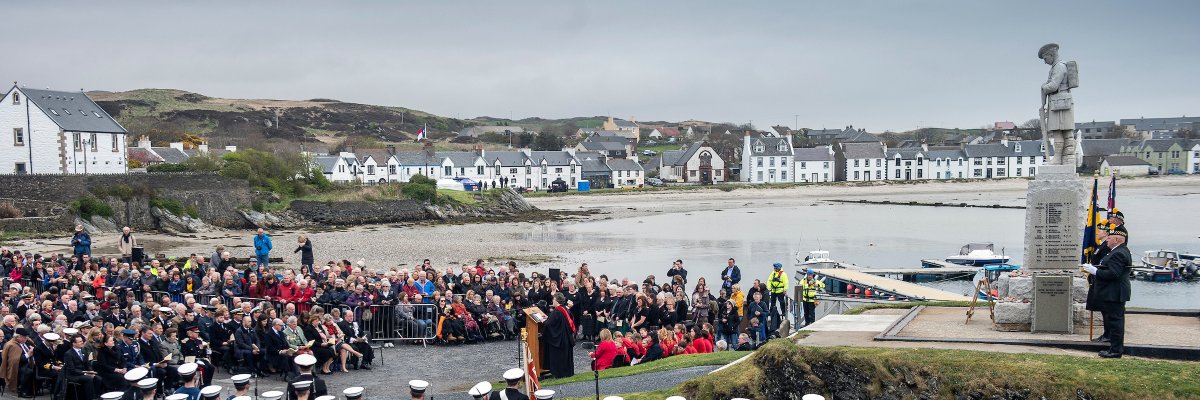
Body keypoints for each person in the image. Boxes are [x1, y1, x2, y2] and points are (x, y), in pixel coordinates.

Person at [1083, 226, 1132, 358]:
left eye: (1109, 238)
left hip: (1115, 293)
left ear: (1117, 239)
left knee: (1115, 323)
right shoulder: (1116, 251)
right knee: (1114, 321)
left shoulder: (1119, 253)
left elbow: (1114, 274)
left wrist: (1095, 271)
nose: (1107, 241)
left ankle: (1116, 350)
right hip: (1113, 292)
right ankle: (1114, 349)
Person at [1037, 42, 1077, 165]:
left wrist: (1044, 86)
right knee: (1064, 131)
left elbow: (1053, 86)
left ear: (1051, 55)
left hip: (1059, 104)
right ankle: (1064, 159)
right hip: (1059, 102)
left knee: (1060, 131)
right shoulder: (1057, 67)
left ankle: (1060, 158)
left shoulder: (1059, 67)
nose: (1045, 61)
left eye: (1045, 58)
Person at [1084, 221, 1112, 342]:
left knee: (1106, 310)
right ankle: (1106, 334)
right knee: (1103, 309)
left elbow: (1103, 264)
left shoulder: (1106, 247)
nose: (1097, 232)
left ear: (1106, 233)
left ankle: (1108, 335)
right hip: (1097, 280)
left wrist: (1094, 270)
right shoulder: (1101, 245)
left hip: (1102, 280)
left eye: (1099, 231)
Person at [543, 293, 575, 378]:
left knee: (559, 357)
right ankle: (568, 372)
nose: (552, 301)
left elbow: (549, 324)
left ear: (557, 301)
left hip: (559, 340)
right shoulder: (565, 309)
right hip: (567, 338)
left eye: (553, 299)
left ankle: (559, 373)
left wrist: (544, 321)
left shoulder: (557, 311)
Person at [0, 327, 36, 396]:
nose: (26, 338)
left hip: (28, 363)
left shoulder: (26, 342)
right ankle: (23, 391)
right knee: (28, 372)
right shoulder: (12, 345)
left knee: (39, 368)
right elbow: (16, 360)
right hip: (17, 366)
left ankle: (34, 390)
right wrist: (28, 354)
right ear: (18, 337)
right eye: (24, 337)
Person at [766, 262, 789, 327]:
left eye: (775, 267)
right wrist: (769, 288)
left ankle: (783, 312)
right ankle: (772, 311)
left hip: (780, 291)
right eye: (774, 267)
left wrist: (785, 289)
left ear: (778, 268)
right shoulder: (773, 273)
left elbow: (786, 282)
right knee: (773, 302)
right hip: (773, 290)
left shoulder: (783, 274)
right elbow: (769, 281)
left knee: (781, 301)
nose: (774, 268)